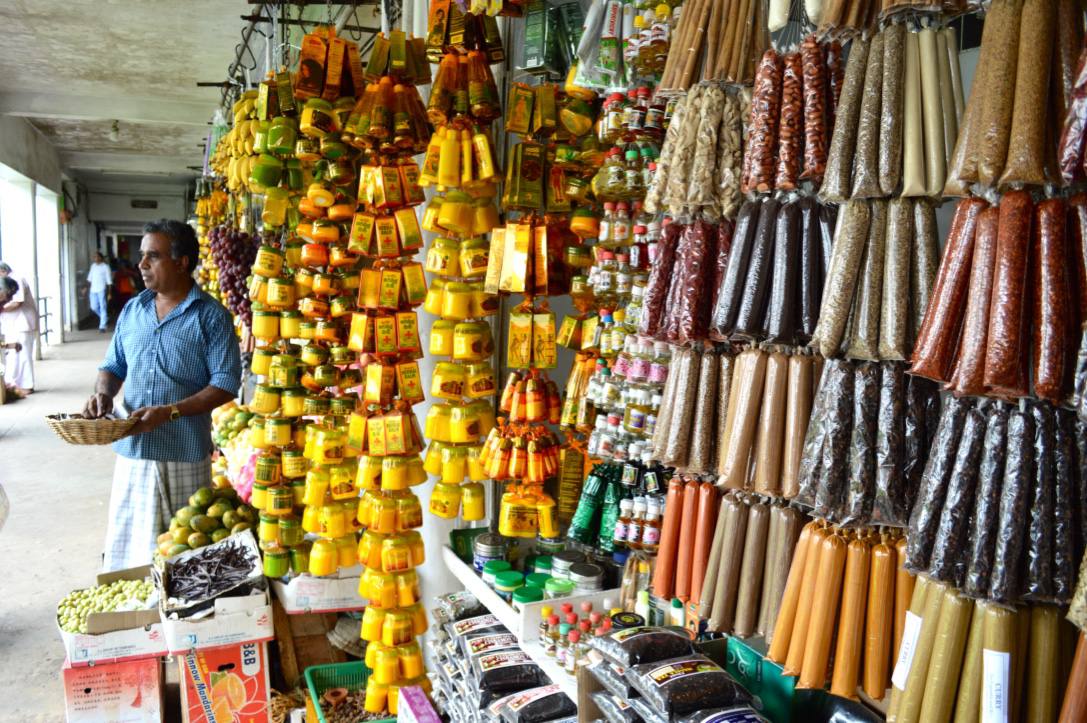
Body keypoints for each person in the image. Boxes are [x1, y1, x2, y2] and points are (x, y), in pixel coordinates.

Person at [82, 220, 241, 571]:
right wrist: (103, 394)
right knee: (130, 554)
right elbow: (112, 366)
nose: (141, 265)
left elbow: (227, 382)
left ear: (182, 262)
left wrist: (170, 412)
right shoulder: (132, 311)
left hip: (183, 451)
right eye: (142, 257)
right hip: (133, 451)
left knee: (185, 555)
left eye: (152, 256)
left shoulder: (211, 317)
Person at [0, 261, 38, 396]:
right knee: (13, 356)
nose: (6, 299)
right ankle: (12, 383)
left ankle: (27, 385)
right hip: (13, 324)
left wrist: (2, 309)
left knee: (23, 355)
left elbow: (18, 301)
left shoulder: (16, 280)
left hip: (23, 322)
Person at [87, 252, 112, 332]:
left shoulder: (105, 267)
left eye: (97, 257)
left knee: (103, 307)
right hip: (93, 290)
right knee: (93, 307)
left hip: (102, 289)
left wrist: (109, 293)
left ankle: (102, 326)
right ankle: (104, 318)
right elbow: (89, 278)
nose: (96, 259)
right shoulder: (93, 266)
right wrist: (85, 288)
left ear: (101, 258)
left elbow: (109, 281)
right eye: (94, 257)